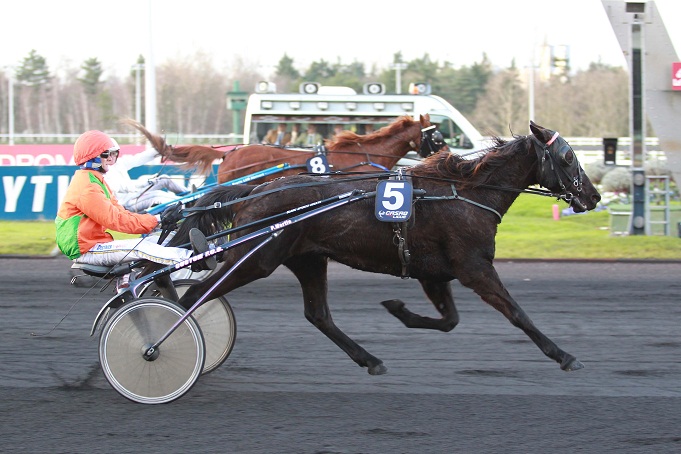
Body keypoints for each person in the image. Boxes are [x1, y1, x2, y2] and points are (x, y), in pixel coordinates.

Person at [55, 130, 216, 281]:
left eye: (113, 154)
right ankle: (193, 258)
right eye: (106, 155)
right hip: (87, 250)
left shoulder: (96, 181)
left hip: (96, 243)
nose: (112, 159)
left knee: (156, 240)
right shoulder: (87, 187)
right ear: (91, 158)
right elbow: (118, 221)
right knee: (141, 247)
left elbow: (122, 213)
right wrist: (157, 219)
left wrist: (157, 221)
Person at [104, 146, 190, 213]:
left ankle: (190, 195)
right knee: (157, 195)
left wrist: (158, 150)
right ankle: (186, 204)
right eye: (110, 153)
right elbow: (122, 187)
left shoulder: (119, 163)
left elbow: (139, 158)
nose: (112, 156)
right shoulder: (102, 171)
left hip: (135, 195)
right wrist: (146, 182)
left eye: (114, 153)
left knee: (164, 179)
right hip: (126, 204)